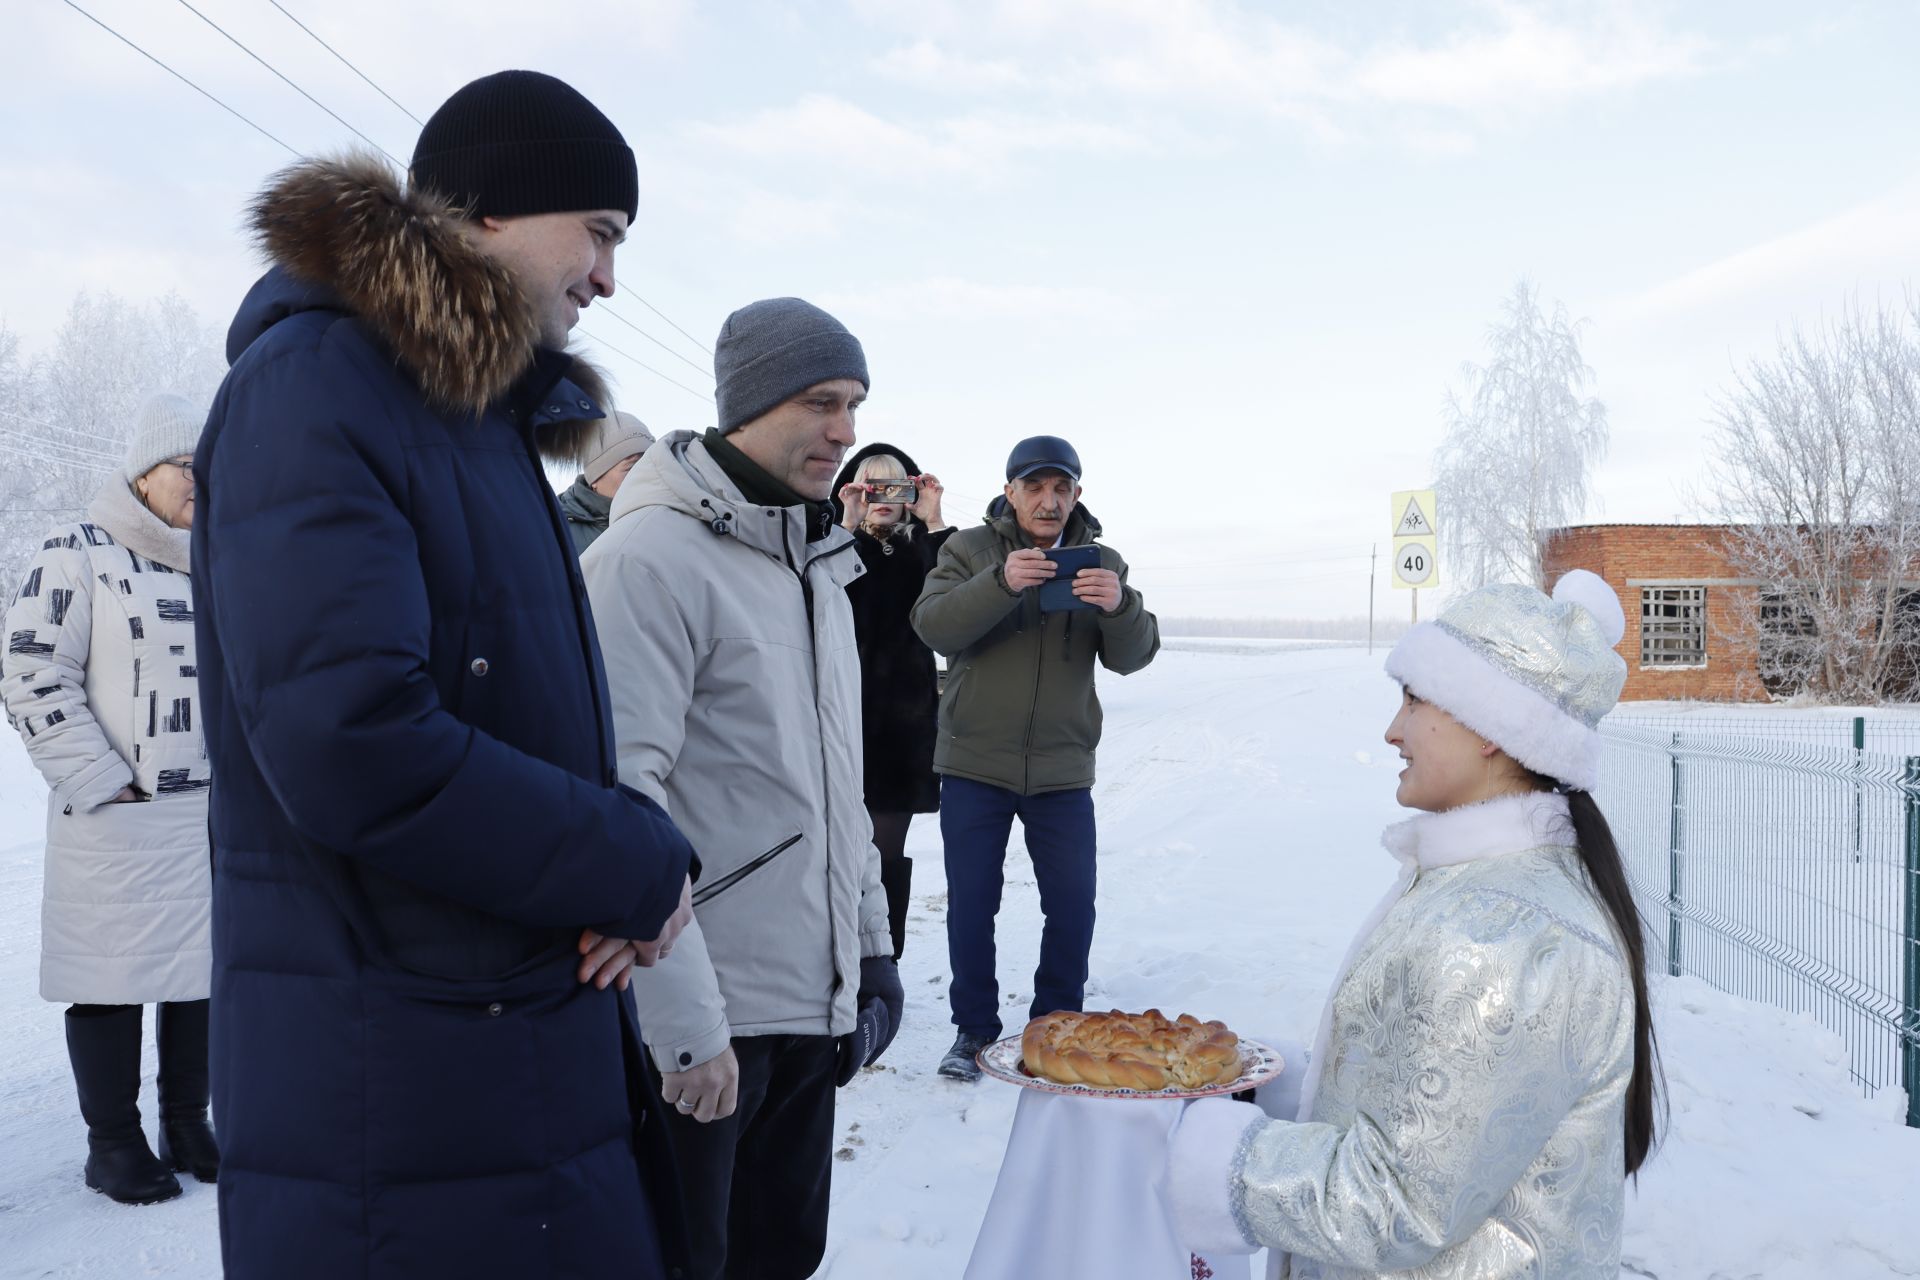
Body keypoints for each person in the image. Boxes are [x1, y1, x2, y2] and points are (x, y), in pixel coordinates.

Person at [190, 71, 697, 1279]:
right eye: (601, 233)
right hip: (399, 1082)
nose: (610, 278)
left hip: (496, 1049)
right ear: (488, 214)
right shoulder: (317, 386)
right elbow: (353, 739)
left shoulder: (465, 418)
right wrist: (627, 857)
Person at [1165, 571, 1663, 1279]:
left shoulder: (1508, 936)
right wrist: (1294, 1087)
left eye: (1413, 700)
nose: (1393, 730)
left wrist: (1216, 1156)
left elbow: (1399, 1203)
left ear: (1491, 726)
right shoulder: (1479, 887)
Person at [582, 297, 904, 1280]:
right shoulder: (647, 560)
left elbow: (835, 791)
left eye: (853, 403)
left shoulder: (813, 572)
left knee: (782, 1257)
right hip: (708, 1020)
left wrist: (873, 950)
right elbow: (620, 803)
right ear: (752, 404)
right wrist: (684, 1030)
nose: (845, 432)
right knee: (689, 1261)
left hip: (809, 1005)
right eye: (821, 401)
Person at [3, 394, 218, 1205]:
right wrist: (102, 781)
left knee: (198, 971)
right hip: (117, 819)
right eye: (185, 467)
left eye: (210, 467)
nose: (201, 481)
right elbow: (28, 669)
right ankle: (114, 1142)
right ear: (143, 473)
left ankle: (187, 1122)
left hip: (203, 813)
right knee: (111, 977)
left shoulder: (219, 558)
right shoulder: (77, 551)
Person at [910, 436, 1159, 1081]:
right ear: (1011, 491)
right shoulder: (967, 549)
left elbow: (1132, 656)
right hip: (974, 764)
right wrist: (1001, 583)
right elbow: (933, 625)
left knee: (1073, 903)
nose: (1049, 501)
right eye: (1036, 487)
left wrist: (1120, 605)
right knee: (972, 902)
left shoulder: (1101, 560)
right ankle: (973, 1030)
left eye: (1062, 488)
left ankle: (1057, 1026)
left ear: (1077, 493)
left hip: (1061, 770)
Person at [831, 444, 951, 959]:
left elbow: (957, 594)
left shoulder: (926, 548)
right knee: (832, 847)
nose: (882, 496)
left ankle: (884, 957)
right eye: (869, 484)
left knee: (884, 851)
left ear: (910, 494)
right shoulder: (836, 543)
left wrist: (936, 518)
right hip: (839, 712)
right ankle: (832, 953)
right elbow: (814, 589)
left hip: (903, 722)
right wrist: (845, 522)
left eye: (893, 486)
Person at [560, 409, 655, 554]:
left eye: (649, 465)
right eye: (631, 467)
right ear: (595, 478)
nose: (643, 475)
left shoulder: (666, 517)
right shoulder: (556, 530)